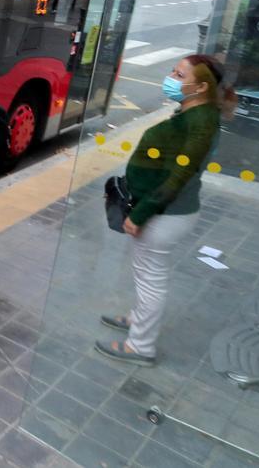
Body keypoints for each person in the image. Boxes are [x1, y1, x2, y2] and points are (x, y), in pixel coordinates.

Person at [96, 54, 226, 366]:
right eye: (173, 71)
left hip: (164, 215)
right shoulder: (196, 115)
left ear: (200, 87)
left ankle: (140, 346)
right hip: (167, 213)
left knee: (151, 279)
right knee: (147, 274)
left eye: (180, 75)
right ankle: (138, 321)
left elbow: (176, 177)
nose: (171, 77)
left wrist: (140, 215)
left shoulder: (198, 124)